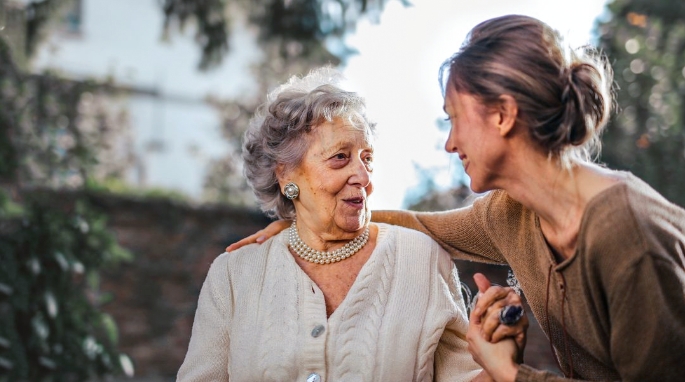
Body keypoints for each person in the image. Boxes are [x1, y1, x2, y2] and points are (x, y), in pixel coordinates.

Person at [225, 15, 685, 382]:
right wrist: (306, 220)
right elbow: (420, 225)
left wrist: (509, 372)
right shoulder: (512, 214)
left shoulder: (629, 236)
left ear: (503, 115)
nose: (450, 143)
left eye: (454, 119)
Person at [177, 67, 486, 381]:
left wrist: (504, 360)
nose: (364, 178)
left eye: (367, 158)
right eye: (340, 157)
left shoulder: (422, 259)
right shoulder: (233, 275)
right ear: (285, 175)